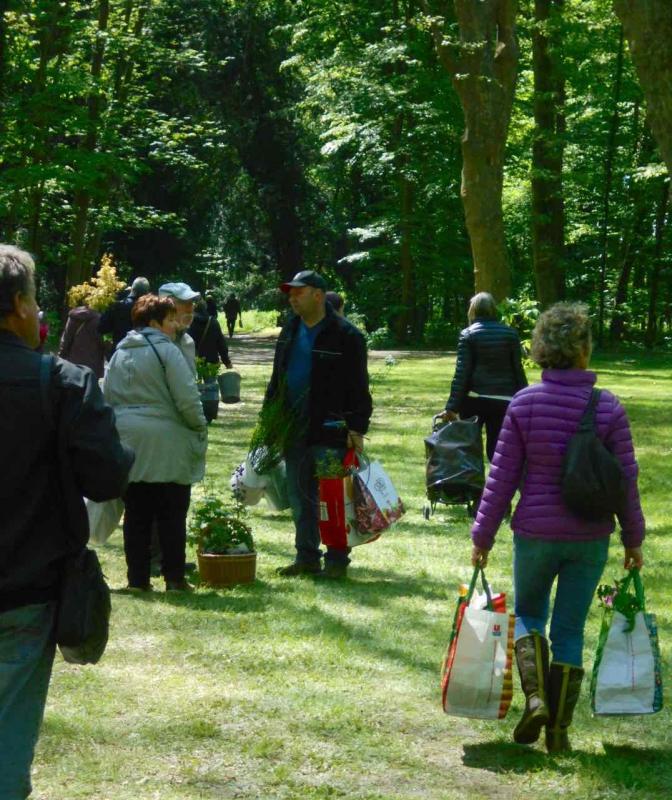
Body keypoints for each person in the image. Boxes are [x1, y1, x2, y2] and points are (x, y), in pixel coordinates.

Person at [470, 302, 645, 754]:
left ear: (541, 349)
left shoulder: (524, 404)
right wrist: (633, 539)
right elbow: (626, 480)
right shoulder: (608, 407)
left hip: (535, 533)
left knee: (530, 615)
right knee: (569, 629)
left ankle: (535, 700)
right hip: (589, 537)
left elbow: (501, 477)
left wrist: (482, 536)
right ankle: (559, 734)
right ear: (584, 349)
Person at [0, 244, 133, 799]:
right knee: (6, 745)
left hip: (26, 592)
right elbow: (106, 478)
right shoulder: (62, 383)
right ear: (18, 305)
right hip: (23, 593)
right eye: (34, 299)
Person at [266, 270, 372, 579]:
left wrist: (356, 427)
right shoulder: (289, 329)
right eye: (290, 293)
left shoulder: (347, 335)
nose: (292, 298)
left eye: (298, 292)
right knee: (300, 497)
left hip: (331, 430)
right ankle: (306, 557)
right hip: (293, 428)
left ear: (318, 295)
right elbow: (277, 379)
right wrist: (270, 420)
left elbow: (359, 386)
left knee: (333, 498)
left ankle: (337, 560)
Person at [104, 294, 208, 592]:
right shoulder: (168, 351)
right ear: (154, 323)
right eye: (170, 319)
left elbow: (107, 396)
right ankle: (174, 578)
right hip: (167, 441)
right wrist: (198, 425)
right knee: (172, 511)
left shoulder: (119, 352)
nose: (176, 325)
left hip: (128, 442)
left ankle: (137, 580)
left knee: (136, 514)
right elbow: (186, 397)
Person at [440, 292, 527, 463]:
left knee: (469, 448)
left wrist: (452, 407)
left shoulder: (468, 334)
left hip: (475, 399)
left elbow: (462, 373)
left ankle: (472, 479)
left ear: (472, 310)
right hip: (503, 400)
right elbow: (518, 370)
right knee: (498, 450)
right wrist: (525, 400)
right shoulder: (510, 334)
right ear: (493, 309)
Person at [158, 282, 200, 375]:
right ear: (166, 306)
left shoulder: (188, 341)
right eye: (184, 302)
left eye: (192, 302)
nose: (190, 309)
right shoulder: (152, 344)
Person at [98, 276, 150, 352]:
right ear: (147, 292)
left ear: (132, 289)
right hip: (143, 351)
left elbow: (102, 328)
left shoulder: (119, 305)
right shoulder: (150, 309)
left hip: (120, 350)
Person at [58, 302, 106, 378]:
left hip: (74, 363)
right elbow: (103, 343)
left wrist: (61, 356)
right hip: (93, 365)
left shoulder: (74, 316)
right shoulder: (100, 319)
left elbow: (66, 338)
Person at [188, 299, 233, 370]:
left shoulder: (189, 322)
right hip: (211, 362)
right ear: (206, 308)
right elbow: (221, 344)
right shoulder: (213, 322)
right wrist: (227, 362)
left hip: (193, 362)